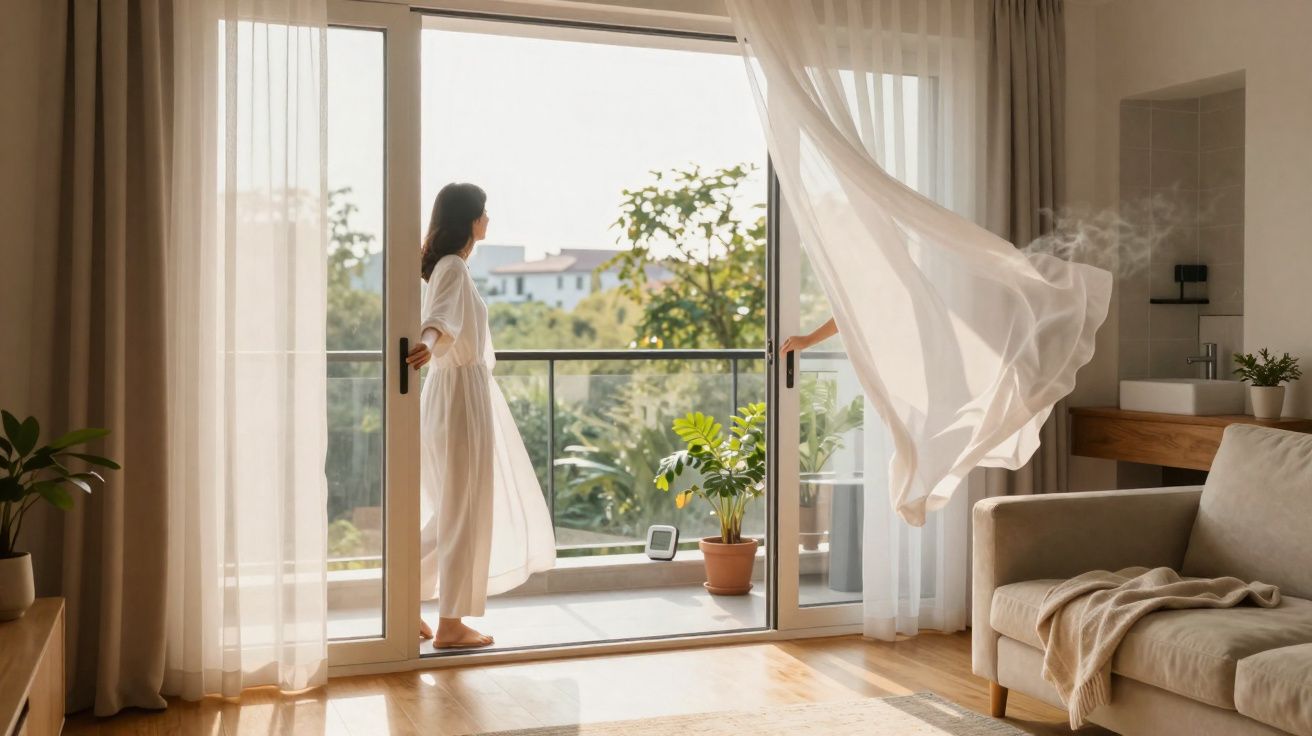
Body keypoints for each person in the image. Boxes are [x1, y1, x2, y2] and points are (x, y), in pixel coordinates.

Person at [405, 183, 556, 648]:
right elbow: (440, 320)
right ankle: (450, 625)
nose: (488, 218)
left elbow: (440, 319)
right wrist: (426, 345)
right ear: (471, 220)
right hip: (458, 396)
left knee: (451, 510)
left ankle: (403, 601)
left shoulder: (446, 267)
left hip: (448, 392)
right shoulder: (452, 266)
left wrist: (430, 345)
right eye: (484, 212)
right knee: (463, 511)